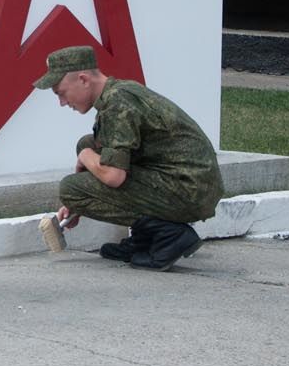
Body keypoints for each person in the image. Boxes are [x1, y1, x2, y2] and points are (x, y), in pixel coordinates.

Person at [35, 45, 224, 271]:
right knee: (88, 144)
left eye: (61, 93)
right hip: (187, 182)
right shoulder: (117, 95)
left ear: (83, 79)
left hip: (189, 190)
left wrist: (84, 164)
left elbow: (114, 176)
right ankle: (145, 240)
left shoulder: (118, 104)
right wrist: (78, 205)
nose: (62, 102)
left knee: (72, 185)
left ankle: (170, 236)